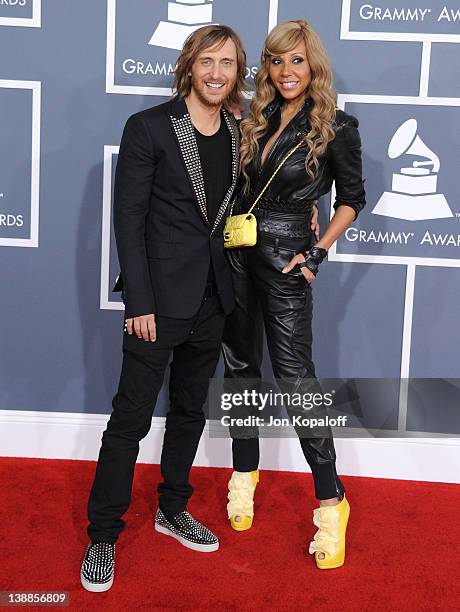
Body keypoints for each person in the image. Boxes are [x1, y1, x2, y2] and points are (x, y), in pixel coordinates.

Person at [80, 25, 246, 592]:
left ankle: (172, 507)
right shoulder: (148, 127)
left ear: (237, 70)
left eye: (227, 63)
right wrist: (140, 302)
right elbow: (128, 220)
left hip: (213, 299)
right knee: (129, 421)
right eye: (207, 61)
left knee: (190, 413)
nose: (217, 73)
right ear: (189, 65)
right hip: (157, 303)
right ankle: (102, 535)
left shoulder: (237, 132)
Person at [222, 20, 365, 569]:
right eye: (277, 62)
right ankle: (244, 473)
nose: (286, 73)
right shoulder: (250, 119)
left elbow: (352, 198)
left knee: (294, 376)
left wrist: (320, 250)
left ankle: (332, 502)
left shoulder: (337, 128)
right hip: (237, 255)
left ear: (314, 67)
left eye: (297, 62)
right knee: (239, 369)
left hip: (286, 260)